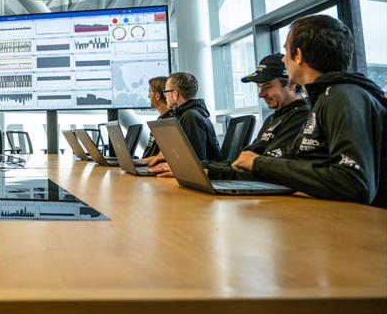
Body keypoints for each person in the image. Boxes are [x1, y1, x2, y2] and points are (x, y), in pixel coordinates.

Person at [232, 15, 386, 206]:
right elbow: (299, 163)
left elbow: (354, 182)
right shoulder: (325, 98)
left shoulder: (342, 96)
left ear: (298, 55)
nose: (283, 58)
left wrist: (259, 164)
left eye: (285, 51)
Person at [152, 55, 311, 178]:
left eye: (267, 87)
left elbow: (265, 170)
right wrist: (196, 167)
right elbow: (241, 162)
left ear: (291, 84)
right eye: (259, 87)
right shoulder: (272, 119)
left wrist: (205, 170)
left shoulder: (302, 117)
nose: (261, 94)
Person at [145, 71, 222, 165]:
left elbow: (194, 162)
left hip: (204, 177)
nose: (165, 96)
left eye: (166, 92)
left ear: (175, 94)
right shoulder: (191, 113)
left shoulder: (190, 116)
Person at [140, 76, 171, 158]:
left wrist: (136, 162)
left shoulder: (169, 122)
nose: (148, 96)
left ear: (157, 96)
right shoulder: (160, 120)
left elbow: (160, 157)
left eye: (149, 92)